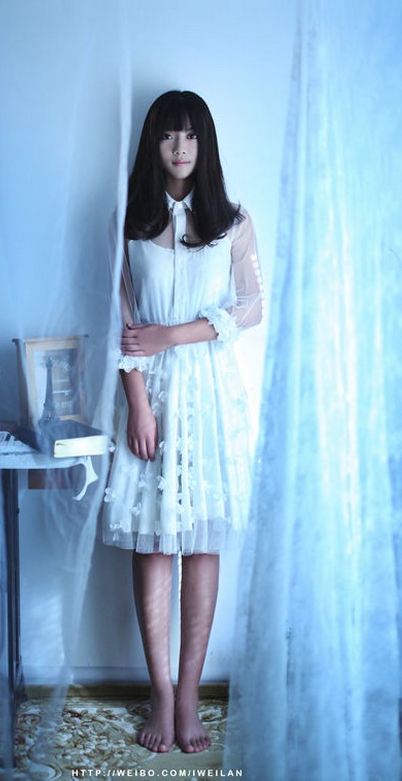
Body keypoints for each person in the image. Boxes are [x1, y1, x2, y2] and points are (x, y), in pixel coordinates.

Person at [102, 90, 264, 754]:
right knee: (152, 540)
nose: (180, 147)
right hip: (151, 394)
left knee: (200, 541)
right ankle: (161, 692)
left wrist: (173, 333)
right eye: (169, 135)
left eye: (191, 135)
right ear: (154, 142)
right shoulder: (128, 219)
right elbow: (117, 316)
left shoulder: (232, 220)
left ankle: (191, 690)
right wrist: (138, 403)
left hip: (209, 396)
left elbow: (252, 306)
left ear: (205, 144)